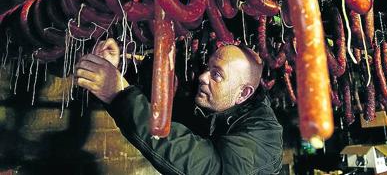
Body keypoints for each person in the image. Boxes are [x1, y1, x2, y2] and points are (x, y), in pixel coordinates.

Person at [75, 38, 283, 175]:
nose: (202, 77)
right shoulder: (211, 105)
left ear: (243, 93)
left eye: (217, 74)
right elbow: (162, 116)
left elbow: (206, 167)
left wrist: (119, 93)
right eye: (207, 68)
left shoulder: (263, 132)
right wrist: (118, 73)